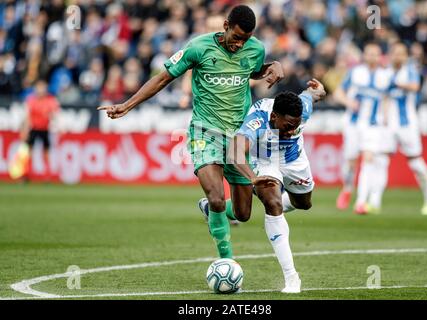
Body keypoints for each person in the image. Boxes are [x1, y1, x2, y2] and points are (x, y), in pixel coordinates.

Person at [98, 5, 284, 259]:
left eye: (246, 39)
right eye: (237, 37)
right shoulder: (197, 47)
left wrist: (273, 66)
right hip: (205, 132)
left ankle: (210, 209)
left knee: (243, 213)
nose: (240, 44)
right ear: (226, 26)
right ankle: (226, 261)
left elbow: (253, 70)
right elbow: (163, 78)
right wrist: (127, 105)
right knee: (218, 197)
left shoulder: (255, 48)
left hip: (238, 139)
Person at [225, 79, 326, 293]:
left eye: (296, 126)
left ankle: (222, 208)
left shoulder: (301, 109)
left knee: (304, 204)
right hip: (265, 160)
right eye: (288, 126)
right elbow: (234, 151)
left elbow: (312, 95)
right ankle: (292, 278)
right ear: (274, 117)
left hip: (294, 161)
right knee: (273, 203)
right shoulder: (258, 118)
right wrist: (253, 178)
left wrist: (317, 91)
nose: (292, 131)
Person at [334, 42, 392, 214]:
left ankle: (361, 201)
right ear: (364, 56)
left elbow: (387, 98)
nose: (372, 57)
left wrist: (386, 116)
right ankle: (347, 188)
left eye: (375, 54)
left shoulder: (385, 76)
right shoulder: (355, 72)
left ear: (380, 56)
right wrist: (349, 102)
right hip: (353, 123)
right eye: (369, 53)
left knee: (368, 159)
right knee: (351, 161)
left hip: (373, 125)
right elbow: (338, 93)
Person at [382, 42, 427, 215]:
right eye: (395, 53)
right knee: (380, 160)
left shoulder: (410, 71)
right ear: (391, 54)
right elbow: (384, 96)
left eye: (401, 53)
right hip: (390, 125)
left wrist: (397, 84)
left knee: (415, 162)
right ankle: (372, 202)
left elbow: (415, 87)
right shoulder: (385, 72)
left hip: (408, 124)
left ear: (406, 56)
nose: (398, 56)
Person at [23, 79, 60, 181]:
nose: (40, 90)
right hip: (34, 129)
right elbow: (27, 117)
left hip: (45, 129)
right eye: (39, 88)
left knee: (46, 152)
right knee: (28, 151)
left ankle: (47, 175)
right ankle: (26, 174)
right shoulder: (31, 100)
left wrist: (58, 127)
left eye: (42, 88)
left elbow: (55, 115)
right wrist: (25, 130)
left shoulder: (50, 100)